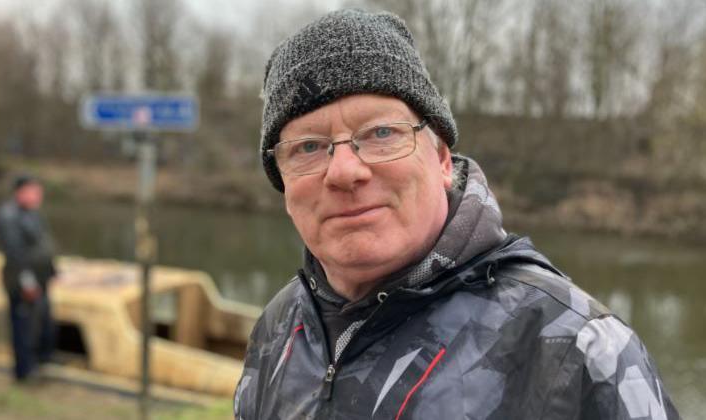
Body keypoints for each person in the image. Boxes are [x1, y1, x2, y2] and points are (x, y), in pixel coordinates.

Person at [235, 9, 679, 420]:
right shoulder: (280, 329)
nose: (345, 171)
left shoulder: (575, 348)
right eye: (308, 147)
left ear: (443, 159)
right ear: (283, 181)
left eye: (382, 133)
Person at [0, 175, 57, 382]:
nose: (38, 196)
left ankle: (41, 362)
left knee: (42, 323)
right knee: (23, 327)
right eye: (33, 191)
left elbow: (42, 245)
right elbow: (14, 254)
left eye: (39, 191)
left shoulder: (33, 213)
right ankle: (24, 372)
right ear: (20, 192)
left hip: (41, 279)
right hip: (22, 284)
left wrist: (53, 271)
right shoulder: (8, 216)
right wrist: (27, 282)